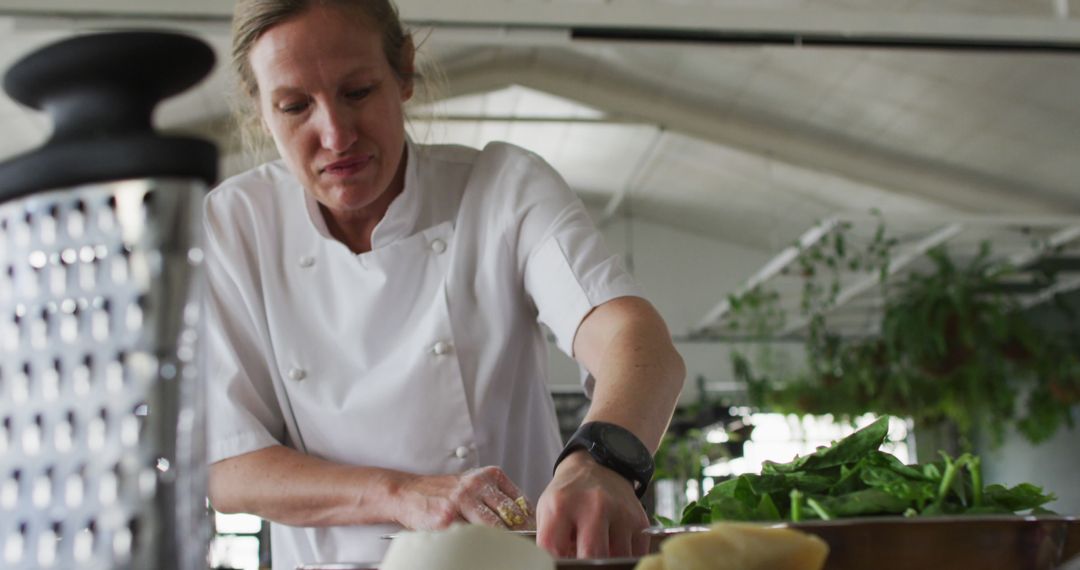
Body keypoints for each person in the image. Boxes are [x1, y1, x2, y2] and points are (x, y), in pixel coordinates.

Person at [204, 0, 685, 568]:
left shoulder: (501, 187)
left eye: (357, 91)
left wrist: (601, 459)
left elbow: (637, 341)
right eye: (294, 106)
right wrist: (399, 493)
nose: (335, 135)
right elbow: (225, 467)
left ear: (403, 70)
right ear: (259, 109)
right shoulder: (234, 225)